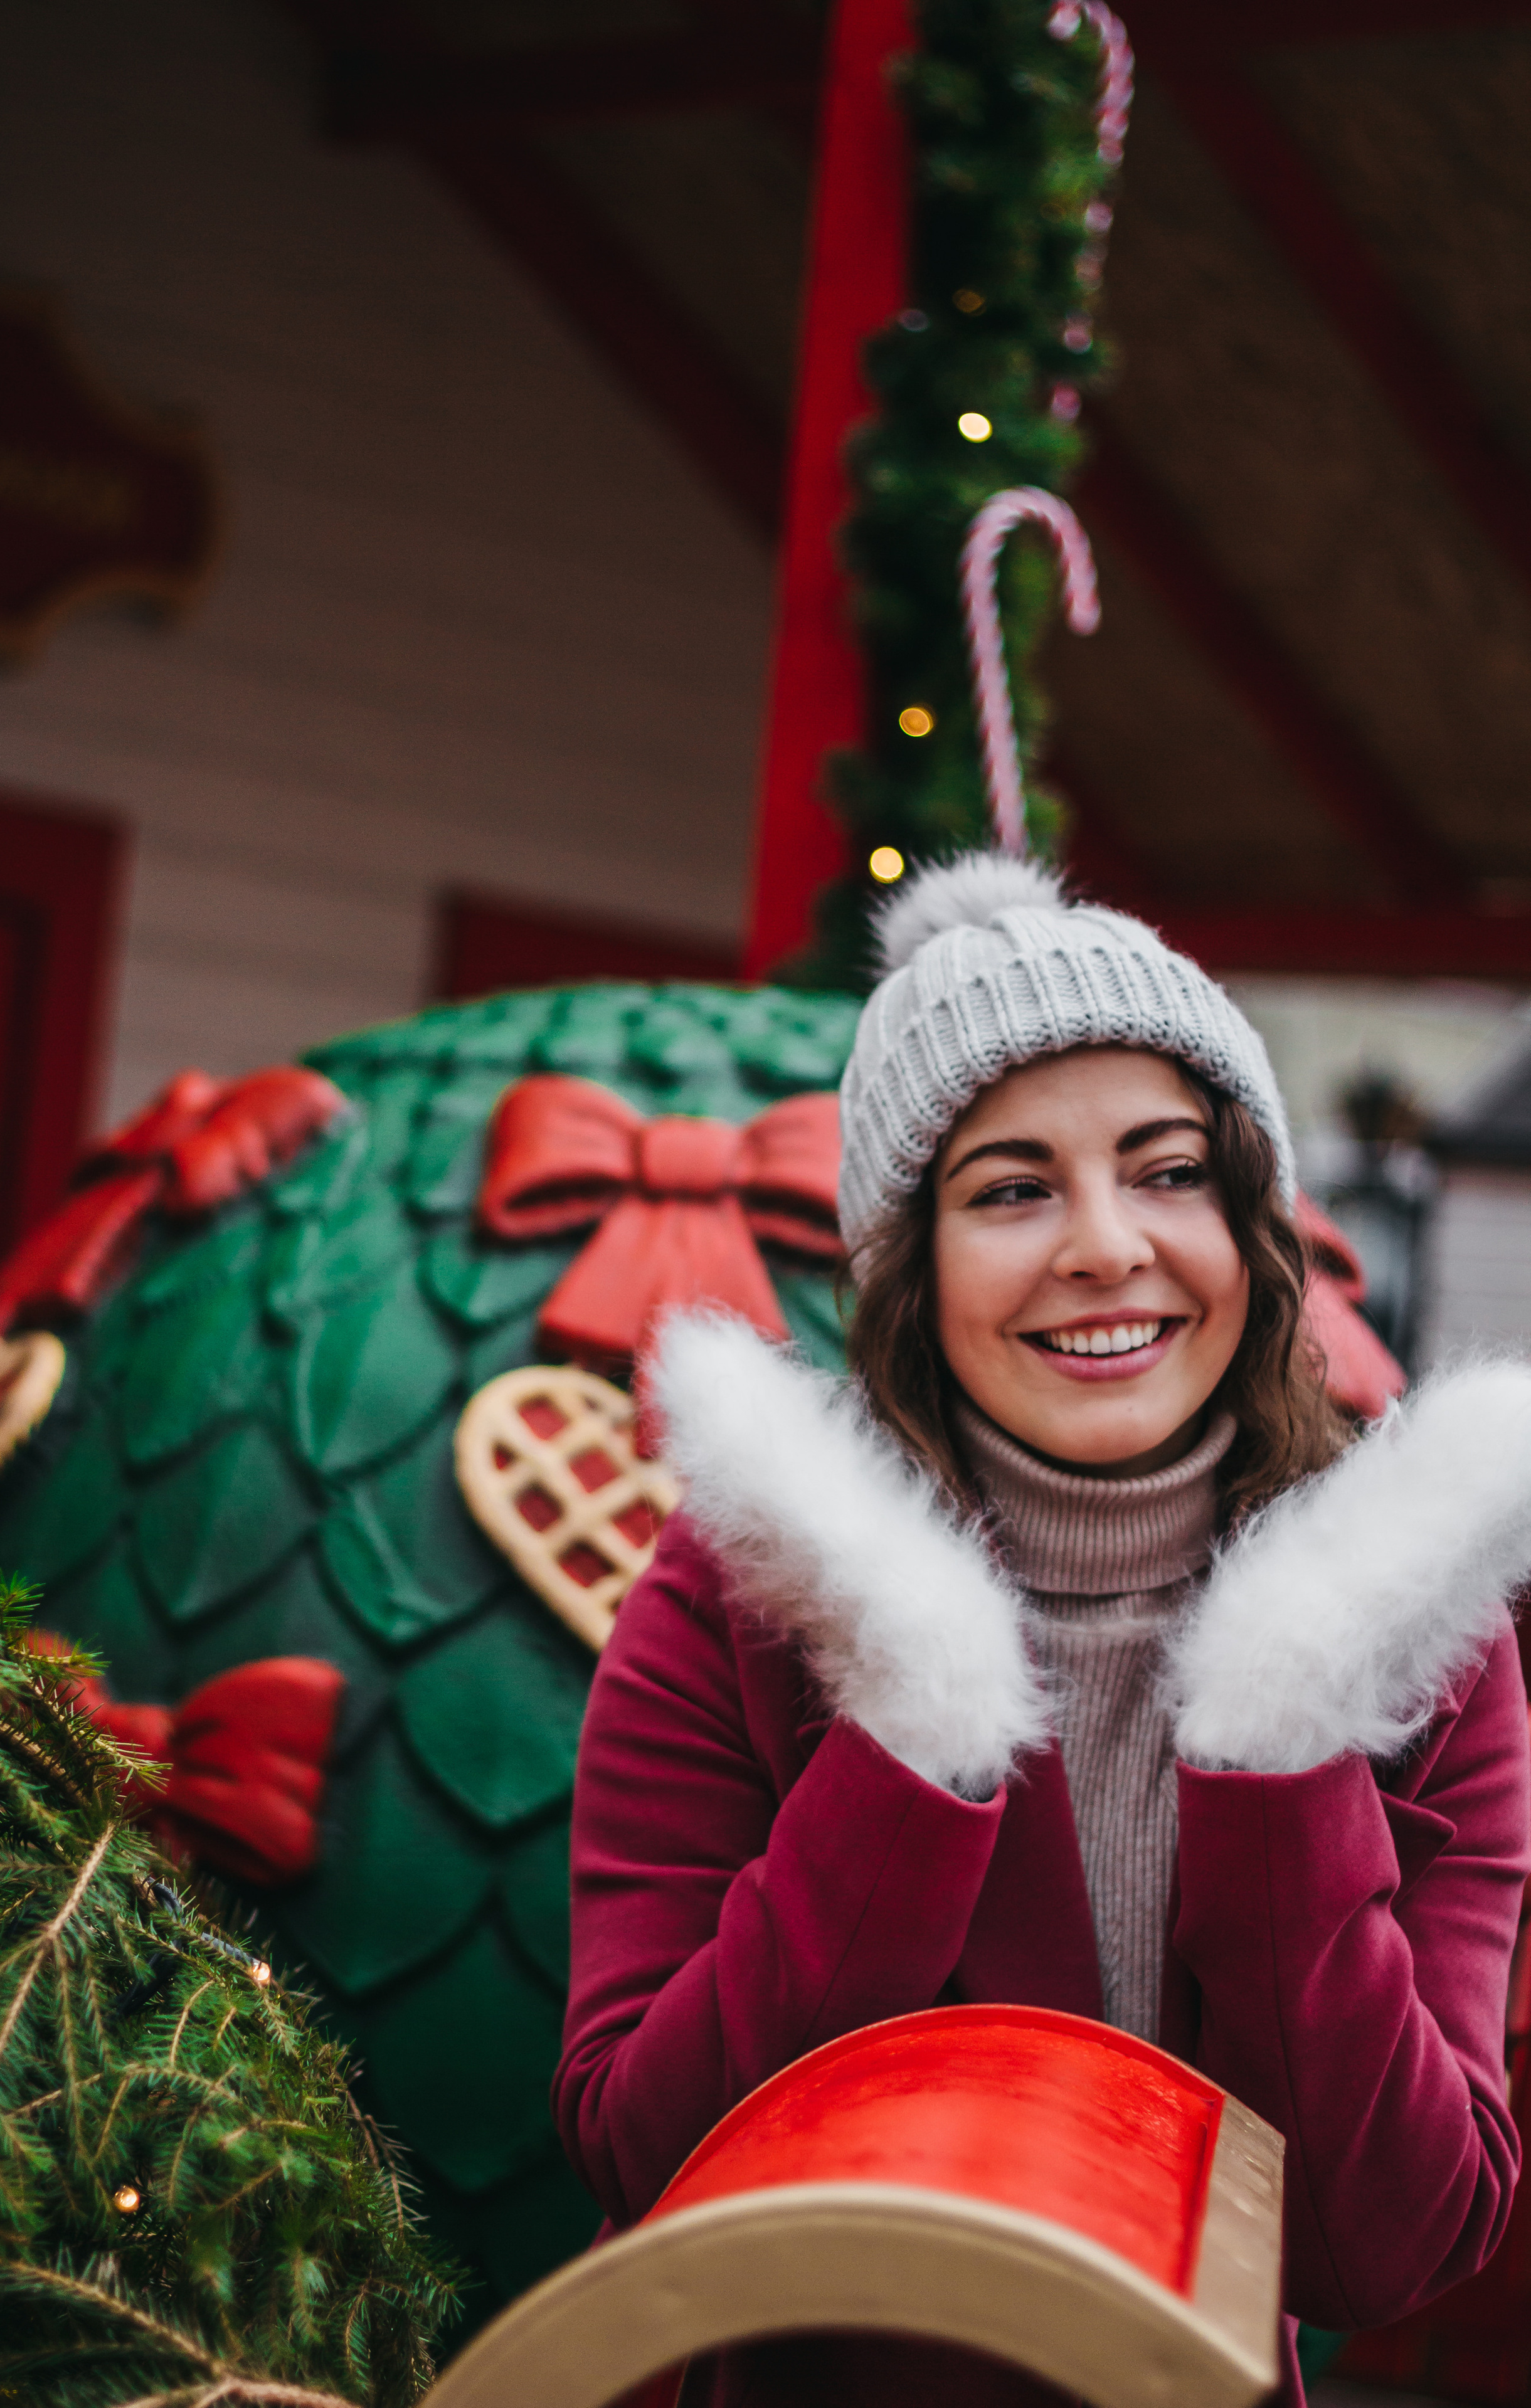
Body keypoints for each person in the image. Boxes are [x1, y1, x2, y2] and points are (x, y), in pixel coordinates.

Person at [553, 853, 1531, 2408]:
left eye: (1166, 1172)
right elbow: (642, 2150)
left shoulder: (1418, 1627)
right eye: (1010, 1189)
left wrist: (1282, 1733)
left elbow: (1383, 2245)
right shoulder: (738, 1593)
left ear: (1250, 1221)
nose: (1102, 1246)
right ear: (908, 1266)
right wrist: (910, 1730)